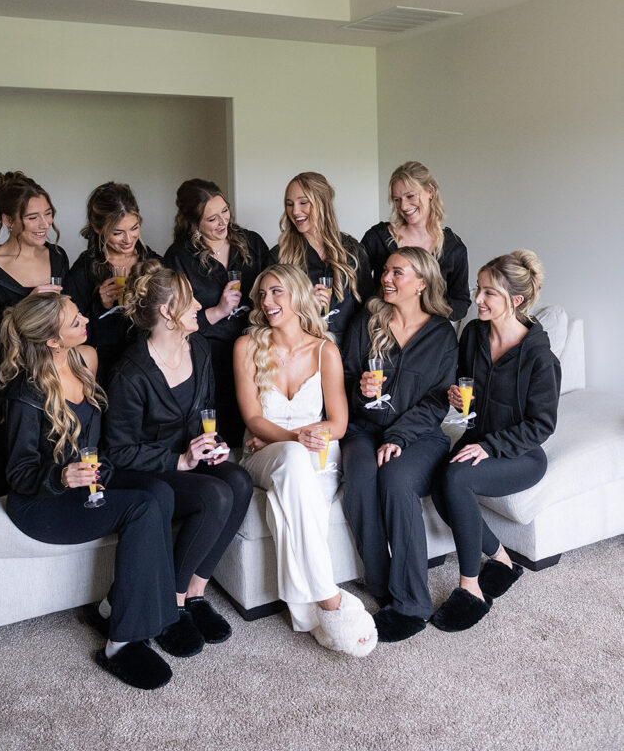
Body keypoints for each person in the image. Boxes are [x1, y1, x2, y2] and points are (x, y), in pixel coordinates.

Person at [0, 292, 177, 690]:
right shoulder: (26, 393)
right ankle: (120, 643)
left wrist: (98, 472)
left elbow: (95, 450)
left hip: (84, 488)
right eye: (74, 319)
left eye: (80, 313)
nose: (85, 319)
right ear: (53, 341)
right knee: (143, 508)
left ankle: (126, 608)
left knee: (161, 494)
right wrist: (62, 477)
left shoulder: (83, 365)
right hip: (42, 506)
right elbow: (19, 472)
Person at [104, 261, 253, 655]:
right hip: (147, 471)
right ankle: (171, 605)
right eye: (190, 301)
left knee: (238, 481)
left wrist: (213, 443)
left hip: (189, 459)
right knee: (215, 495)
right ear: (168, 312)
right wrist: (181, 461)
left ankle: (195, 594)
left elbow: (206, 413)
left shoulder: (199, 348)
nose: (199, 306)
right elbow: (117, 451)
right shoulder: (131, 373)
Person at [233, 263, 377, 656]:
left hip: (315, 456)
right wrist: (295, 437)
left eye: (276, 291)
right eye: (262, 294)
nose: (267, 301)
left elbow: (340, 423)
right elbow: (253, 419)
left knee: (288, 503)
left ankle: (310, 616)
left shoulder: (325, 351)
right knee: (294, 459)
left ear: (297, 295)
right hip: (262, 452)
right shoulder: (246, 347)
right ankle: (330, 597)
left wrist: (305, 437)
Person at [430, 250, 560, 632]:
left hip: (520, 455)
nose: (477, 299)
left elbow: (542, 425)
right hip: (475, 439)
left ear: (515, 301)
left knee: (455, 478)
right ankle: (501, 559)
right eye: (478, 289)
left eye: (489, 293)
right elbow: (458, 381)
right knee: (441, 481)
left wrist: (489, 447)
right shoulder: (472, 334)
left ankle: (470, 588)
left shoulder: (539, 357)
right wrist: (453, 395)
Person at [341, 248, 458, 642]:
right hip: (362, 429)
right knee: (359, 481)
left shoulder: (442, 333)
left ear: (422, 282)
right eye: (386, 271)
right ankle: (381, 587)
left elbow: (439, 399)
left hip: (420, 436)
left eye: (397, 272)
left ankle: (412, 604)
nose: (386, 279)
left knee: (395, 481)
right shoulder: (367, 322)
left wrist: (397, 437)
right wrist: (360, 390)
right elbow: (342, 381)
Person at [0, 171, 67, 496]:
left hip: (47, 381)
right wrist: (23, 308)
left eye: (48, 214)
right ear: (7, 219)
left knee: (42, 478)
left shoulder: (58, 258)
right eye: (32, 217)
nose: (43, 224)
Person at [164, 178, 271, 447]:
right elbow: (171, 319)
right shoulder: (179, 257)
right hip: (208, 354)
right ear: (193, 223)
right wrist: (217, 311)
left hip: (255, 348)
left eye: (225, 211)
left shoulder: (252, 242)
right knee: (220, 429)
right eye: (212, 218)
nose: (223, 222)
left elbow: (277, 284)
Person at [64, 181, 161, 387]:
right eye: (117, 232)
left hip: (149, 371)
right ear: (98, 228)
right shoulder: (84, 269)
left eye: (134, 228)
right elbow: (68, 334)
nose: (128, 239)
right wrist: (100, 306)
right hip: (102, 371)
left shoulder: (154, 263)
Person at [271, 172, 372, 348]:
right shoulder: (279, 256)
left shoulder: (353, 251)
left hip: (349, 356)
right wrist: (304, 305)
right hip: (301, 355)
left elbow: (368, 308)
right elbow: (267, 312)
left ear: (322, 202)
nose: (295, 211)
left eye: (303, 202)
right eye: (289, 204)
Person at [361, 161, 470, 321]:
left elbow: (461, 302)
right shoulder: (377, 238)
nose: (404, 206)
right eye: (397, 200)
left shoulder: (454, 248)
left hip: (430, 334)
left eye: (410, 196)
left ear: (430, 191)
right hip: (381, 328)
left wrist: (426, 316)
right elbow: (354, 285)